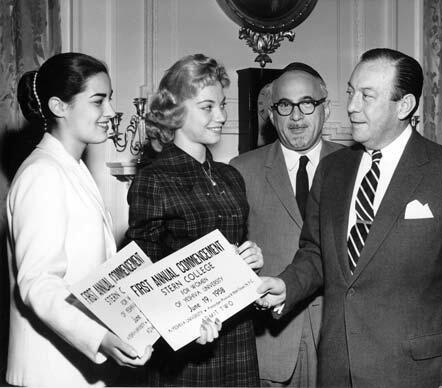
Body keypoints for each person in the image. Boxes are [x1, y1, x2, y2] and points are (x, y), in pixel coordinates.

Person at [258, 48, 442, 388]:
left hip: (413, 374)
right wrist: (287, 284)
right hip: (336, 369)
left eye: (367, 96)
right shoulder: (333, 170)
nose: (351, 106)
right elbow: (316, 252)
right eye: (350, 92)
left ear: (403, 106)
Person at [6, 52, 153, 387]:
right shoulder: (42, 173)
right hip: (50, 373)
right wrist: (99, 337)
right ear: (59, 106)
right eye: (98, 101)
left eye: (110, 100)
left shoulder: (73, 168)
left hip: (77, 372)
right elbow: (38, 283)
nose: (111, 113)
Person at [126, 53, 262, 387]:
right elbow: (141, 278)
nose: (222, 116)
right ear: (175, 113)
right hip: (187, 350)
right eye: (207, 107)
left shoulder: (231, 176)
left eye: (222, 105)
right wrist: (185, 323)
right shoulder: (154, 179)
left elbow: (233, 250)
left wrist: (251, 257)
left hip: (238, 334)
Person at [230, 62, 343, 387]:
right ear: (270, 113)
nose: (296, 116)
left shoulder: (354, 166)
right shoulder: (241, 171)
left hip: (340, 340)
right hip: (271, 343)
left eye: (307, 103)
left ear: (326, 107)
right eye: (284, 105)